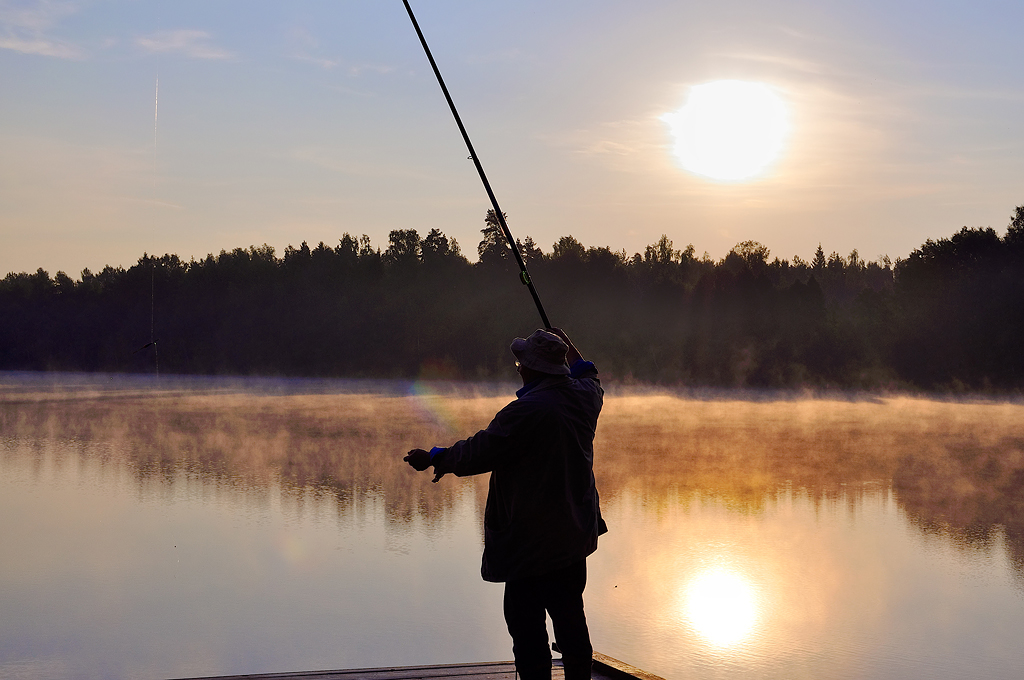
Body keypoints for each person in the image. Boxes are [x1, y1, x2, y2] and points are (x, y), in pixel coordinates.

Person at [404, 328, 607, 680]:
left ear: (532, 369)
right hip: (573, 537)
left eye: (521, 362)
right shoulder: (585, 399)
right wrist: (565, 341)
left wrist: (435, 456)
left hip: (531, 544)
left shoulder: (524, 412)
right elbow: (589, 372)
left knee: (527, 629)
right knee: (571, 618)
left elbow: (477, 452)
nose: (518, 368)